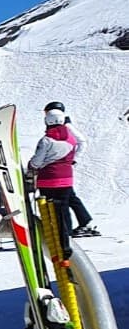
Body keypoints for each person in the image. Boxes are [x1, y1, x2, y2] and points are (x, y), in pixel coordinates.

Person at [42, 102, 100, 237]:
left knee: (68, 198)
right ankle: (84, 221)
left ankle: (76, 225)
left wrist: (74, 158)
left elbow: (82, 142)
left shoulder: (65, 125)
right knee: (71, 197)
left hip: (61, 167)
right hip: (62, 168)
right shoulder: (57, 124)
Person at [28, 106, 78, 260]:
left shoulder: (47, 140)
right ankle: (66, 241)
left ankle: (55, 242)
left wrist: (31, 166)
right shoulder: (71, 138)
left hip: (48, 180)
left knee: (50, 212)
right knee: (63, 211)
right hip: (67, 179)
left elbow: (37, 161)